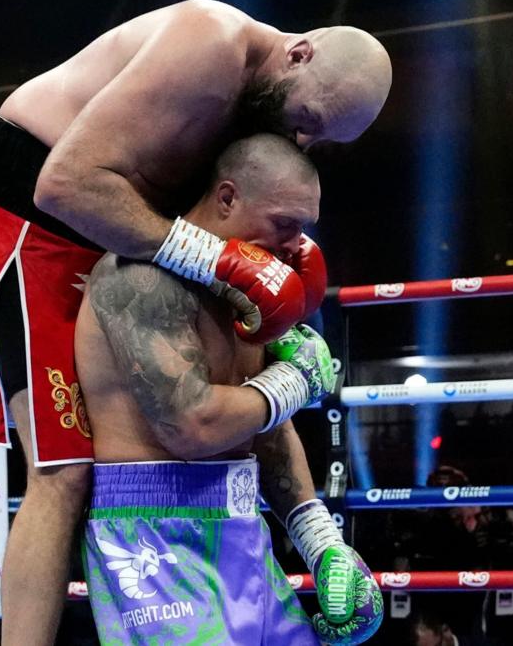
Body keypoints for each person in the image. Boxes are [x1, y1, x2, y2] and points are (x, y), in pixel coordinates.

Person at [0, 0, 393, 645]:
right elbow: (63, 185)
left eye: (322, 140)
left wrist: (320, 539)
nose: (304, 139)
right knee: (63, 470)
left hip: (122, 238)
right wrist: (215, 259)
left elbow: (256, 417)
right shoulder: (210, 43)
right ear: (299, 54)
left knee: (228, 371)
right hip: (31, 223)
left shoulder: (256, 126)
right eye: (309, 120)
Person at [76, 134, 382, 643]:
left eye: (304, 228)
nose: (295, 244)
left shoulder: (250, 292)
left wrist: (321, 542)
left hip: (242, 527)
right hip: (155, 539)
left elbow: (263, 426)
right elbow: (191, 425)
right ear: (227, 198)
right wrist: (293, 379)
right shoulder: (139, 278)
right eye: (284, 223)